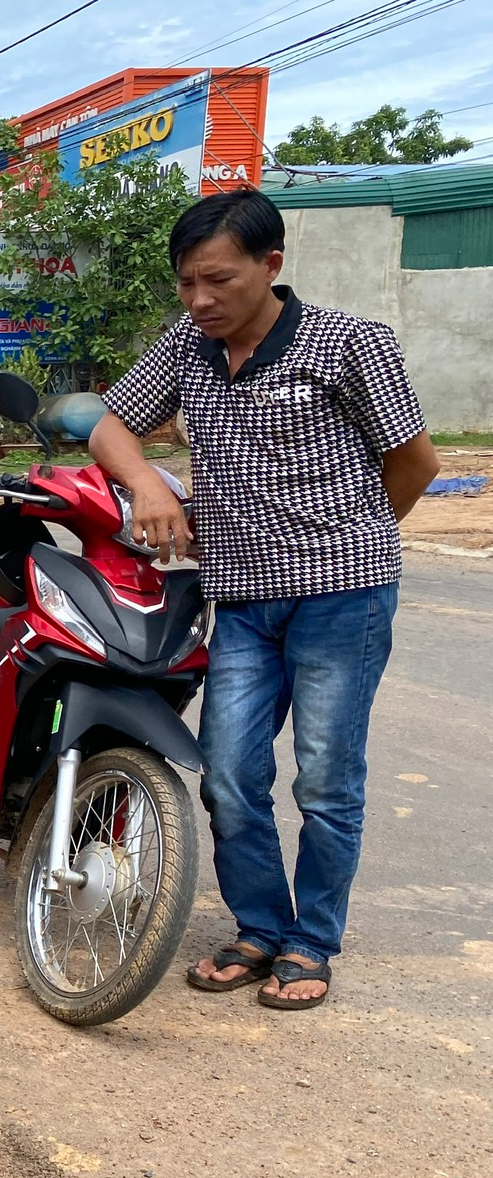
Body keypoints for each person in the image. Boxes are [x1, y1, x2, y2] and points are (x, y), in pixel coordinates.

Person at [90, 188, 438, 1010]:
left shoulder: (350, 344)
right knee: (230, 776)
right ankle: (258, 928)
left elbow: (415, 462)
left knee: (324, 780)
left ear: (270, 265)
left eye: (219, 280)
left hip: (341, 598)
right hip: (241, 600)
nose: (201, 300)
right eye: (186, 283)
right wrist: (144, 480)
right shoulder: (187, 344)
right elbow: (110, 425)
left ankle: (311, 941)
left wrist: (352, 539)